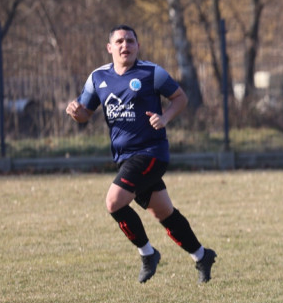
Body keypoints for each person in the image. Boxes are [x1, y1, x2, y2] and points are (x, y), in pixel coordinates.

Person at [65, 25, 217, 284]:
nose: (126, 46)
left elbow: (180, 98)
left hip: (152, 153)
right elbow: (85, 114)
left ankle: (148, 254)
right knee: (163, 212)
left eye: (131, 41)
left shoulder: (151, 73)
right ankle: (202, 255)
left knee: (114, 202)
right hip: (125, 157)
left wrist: (165, 117)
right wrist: (76, 112)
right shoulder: (97, 78)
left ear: (137, 46)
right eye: (120, 41)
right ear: (110, 48)